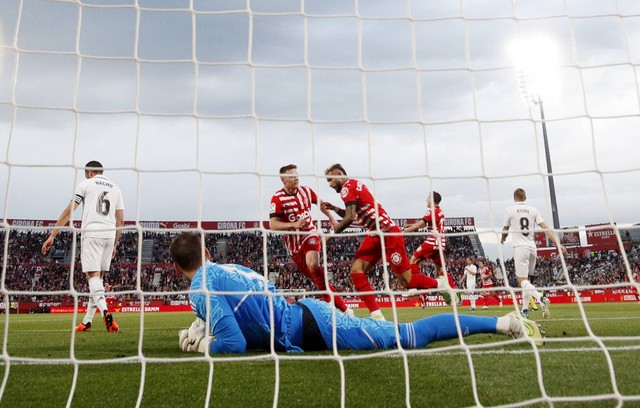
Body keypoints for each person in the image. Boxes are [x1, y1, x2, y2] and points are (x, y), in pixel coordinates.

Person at [170, 232, 543, 355]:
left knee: (406, 337)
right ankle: (505, 321)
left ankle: (507, 323)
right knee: (398, 336)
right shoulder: (229, 269)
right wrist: (203, 324)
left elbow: (233, 344)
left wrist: (202, 343)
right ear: (206, 253)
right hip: (304, 316)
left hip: (311, 325)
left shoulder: (199, 288)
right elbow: (256, 301)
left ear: (176, 268)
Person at [321, 164, 444, 320]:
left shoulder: (347, 188)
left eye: (330, 180)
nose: (330, 185)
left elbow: (350, 217)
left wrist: (329, 236)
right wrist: (335, 209)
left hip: (388, 234)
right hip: (375, 235)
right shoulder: (354, 185)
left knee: (408, 282)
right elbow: (356, 216)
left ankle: (441, 284)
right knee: (356, 271)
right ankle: (377, 316)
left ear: (339, 174)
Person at [41, 161, 123, 332]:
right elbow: (120, 220)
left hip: (92, 232)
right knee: (98, 280)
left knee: (92, 277)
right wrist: (115, 244)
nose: (85, 176)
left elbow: (69, 211)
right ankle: (87, 322)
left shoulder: (86, 184)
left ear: (91, 172)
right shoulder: (116, 188)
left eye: (86, 173)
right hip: (109, 234)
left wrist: (52, 235)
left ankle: (105, 313)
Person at [269, 164, 352, 316]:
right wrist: (293, 224)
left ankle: (332, 306)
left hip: (310, 233)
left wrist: (332, 219)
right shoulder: (277, 198)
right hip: (294, 245)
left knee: (313, 264)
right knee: (314, 276)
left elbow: (321, 204)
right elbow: (273, 225)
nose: (296, 178)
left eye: (297, 175)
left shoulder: (306, 191)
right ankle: (346, 310)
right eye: (292, 176)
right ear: (283, 180)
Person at [501, 188, 567, 318]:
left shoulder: (509, 210)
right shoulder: (533, 210)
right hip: (532, 248)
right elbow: (545, 228)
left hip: (520, 248)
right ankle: (525, 311)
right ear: (525, 198)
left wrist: (503, 238)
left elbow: (505, 229)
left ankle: (541, 298)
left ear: (514, 198)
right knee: (527, 281)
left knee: (521, 281)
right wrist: (558, 244)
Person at [403, 192, 460, 305]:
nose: (426, 200)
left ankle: (413, 287)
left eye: (428, 198)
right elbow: (424, 224)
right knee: (440, 270)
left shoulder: (431, 211)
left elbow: (419, 225)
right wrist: (411, 227)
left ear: (432, 200)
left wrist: (402, 232)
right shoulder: (440, 211)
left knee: (412, 261)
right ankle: (454, 293)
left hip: (433, 240)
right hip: (441, 242)